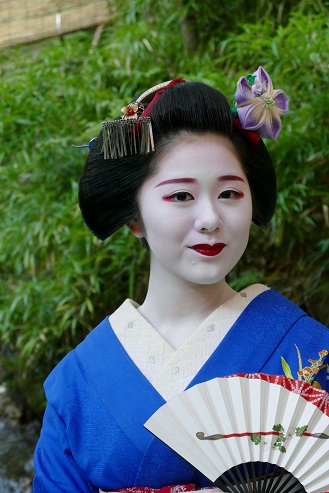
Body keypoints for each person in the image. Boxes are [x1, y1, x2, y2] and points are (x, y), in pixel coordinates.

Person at [33, 69, 329, 492]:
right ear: (133, 216)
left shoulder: (308, 348)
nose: (211, 219)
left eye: (230, 193)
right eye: (180, 196)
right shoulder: (78, 383)